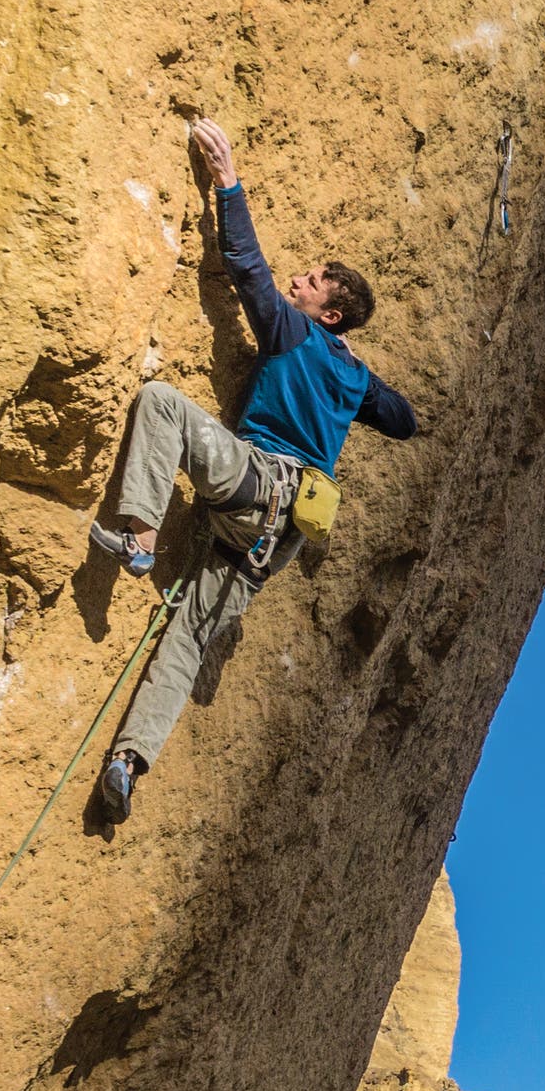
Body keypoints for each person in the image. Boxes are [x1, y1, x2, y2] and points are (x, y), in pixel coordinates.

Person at [90, 116, 420, 818]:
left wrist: (228, 182)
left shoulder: (294, 331)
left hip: (252, 482)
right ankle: (128, 761)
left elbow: (246, 271)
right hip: (275, 539)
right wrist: (363, 385)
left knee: (161, 404)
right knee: (188, 639)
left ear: (328, 314)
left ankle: (140, 538)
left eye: (311, 282)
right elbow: (404, 420)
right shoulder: (355, 378)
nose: (297, 281)